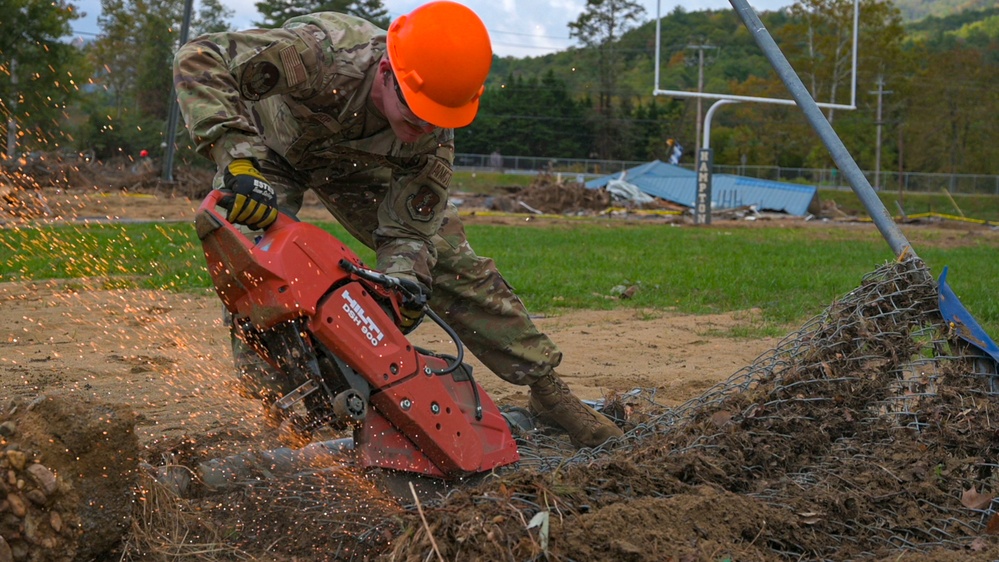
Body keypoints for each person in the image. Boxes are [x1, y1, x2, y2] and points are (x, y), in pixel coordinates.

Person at [172, 1, 622, 448]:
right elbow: (200, 57)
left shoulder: (432, 133)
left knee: (449, 263)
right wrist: (237, 158)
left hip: (356, 168)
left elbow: (411, 230)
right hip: (266, 152)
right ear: (387, 72)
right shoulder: (322, 52)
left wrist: (402, 282)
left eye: (438, 119)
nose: (426, 125)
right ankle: (280, 406)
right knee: (255, 264)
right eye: (417, 111)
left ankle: (548, 389)